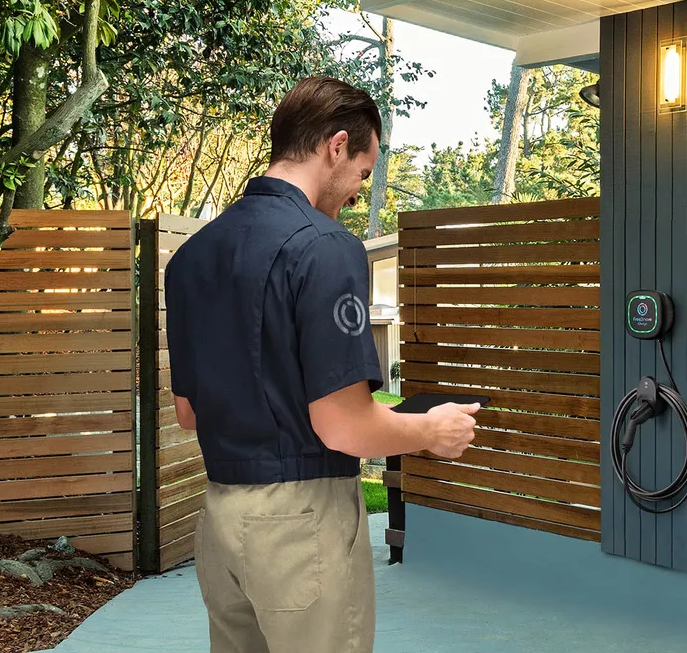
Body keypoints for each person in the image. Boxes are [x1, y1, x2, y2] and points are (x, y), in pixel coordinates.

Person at [164, 76, 480, 653]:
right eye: (363, 171)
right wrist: (432, 430)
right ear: (336, 146)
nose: (359, 191)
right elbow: (343, 425)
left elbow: (189, 413)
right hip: (302, 523)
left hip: (219, 519)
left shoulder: (191, 258)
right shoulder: (327, 246)